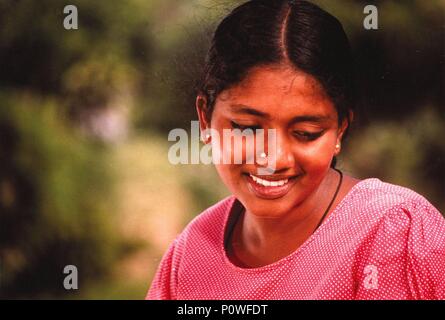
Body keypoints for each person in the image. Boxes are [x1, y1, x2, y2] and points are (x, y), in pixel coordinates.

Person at [146, 0, 445, 299]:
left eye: (305, 134)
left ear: (340, 128)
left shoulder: (395, 234)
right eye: (247, 128)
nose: (273, 159)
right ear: (205, 118)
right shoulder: (190, 256)